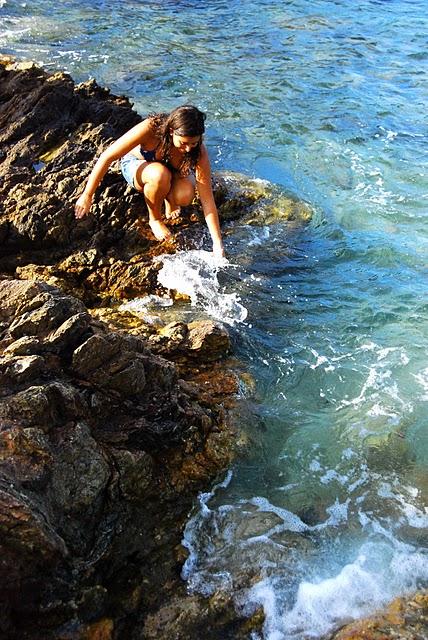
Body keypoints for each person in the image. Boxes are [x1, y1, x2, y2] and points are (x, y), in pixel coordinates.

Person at [75, 104, 225, 258]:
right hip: (138, 166)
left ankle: (168, 199)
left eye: (193, 143)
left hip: (170, 173)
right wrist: (87, 195)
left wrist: (218, 243)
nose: (188, 149)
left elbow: (207, 200)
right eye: (183, 143)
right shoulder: (151, 128)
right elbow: (107, 156)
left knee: (186, 194)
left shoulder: (198, 151)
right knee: (160, 175)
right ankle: (155, 219)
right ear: (172, 131)